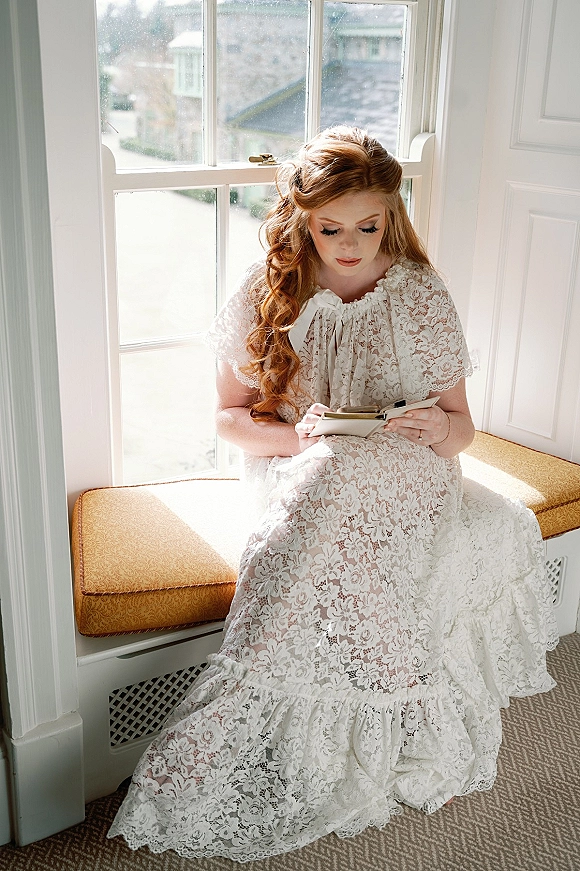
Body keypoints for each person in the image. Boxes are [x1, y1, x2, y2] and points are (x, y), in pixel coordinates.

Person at [108, 127, 558, 862]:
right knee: (330, 476)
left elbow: (463, 431)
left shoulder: (418, 294)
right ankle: (312, 702)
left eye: (368, 226)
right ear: (302, 219)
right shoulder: (267, 287)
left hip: (409, 469)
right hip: (299, 461)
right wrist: (303, 440)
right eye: (330, 228)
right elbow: (228, 419)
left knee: (345, 477)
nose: (349, 244)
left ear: (392, 216)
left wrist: (433, 424)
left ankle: (344, 708)